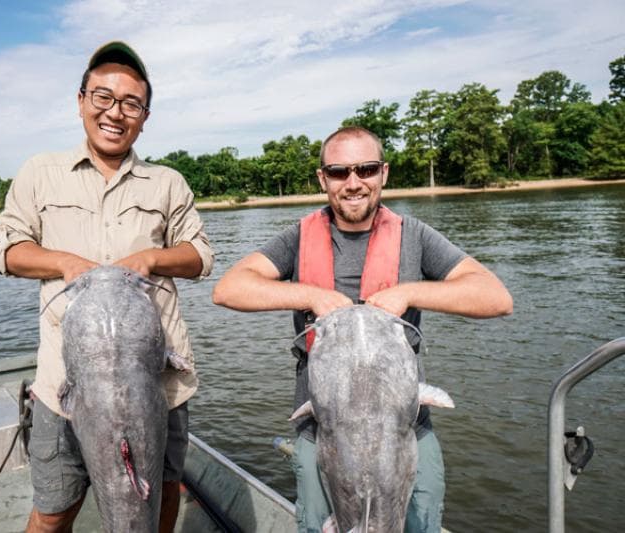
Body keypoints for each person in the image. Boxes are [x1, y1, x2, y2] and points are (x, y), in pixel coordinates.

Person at [212, 126, 512, 533]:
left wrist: (408, 291)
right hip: (322, 432)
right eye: (339, 172)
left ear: (383, 173)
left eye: (366, 169)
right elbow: (229, 288)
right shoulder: (297, 238)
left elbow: (495, 297)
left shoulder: (416, 236)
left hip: (406, 430)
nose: (353, 183)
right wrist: (311, 296)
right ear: (323, 179)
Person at [0, 41, 213, 533]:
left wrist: (154, 257)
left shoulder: (167, 182)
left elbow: (201, 257)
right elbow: (7, 253)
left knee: (160, 495)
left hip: (160, 384)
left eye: (131, 103)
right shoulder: (39, 173)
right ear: (80, 100)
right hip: (65, 386)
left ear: (145, 115)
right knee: (53, 510)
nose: (116, 113)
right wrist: (66, 263)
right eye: (103, 97)